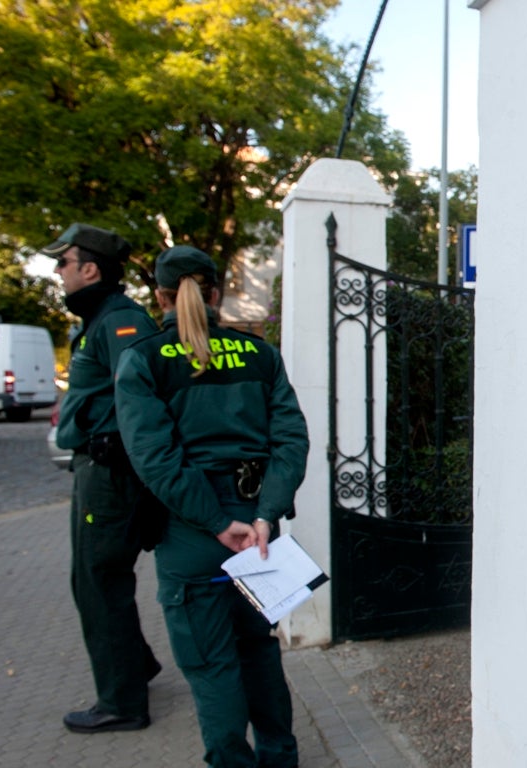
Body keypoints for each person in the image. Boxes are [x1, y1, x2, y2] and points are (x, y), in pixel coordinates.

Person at [114, 245, 309, 768]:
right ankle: (279, 758)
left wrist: (218, 522)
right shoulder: (260, 355)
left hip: (193, 530)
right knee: (258, 651)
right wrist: (264, 515)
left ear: (159, 296)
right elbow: (290, 442)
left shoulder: (144, 359)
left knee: (211, 663)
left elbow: (154, 458)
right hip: (257, 526)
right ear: (217, 292)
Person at [45, 223, 162, 734]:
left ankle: (122, 701)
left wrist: (112, 439)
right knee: (92, 578)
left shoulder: (120, 321)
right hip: (94, 468)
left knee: (100, 581)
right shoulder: (100, 319)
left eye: (63, 262)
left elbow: (140, 393)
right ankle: (135, 667)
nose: (57, 271)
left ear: (90, 268)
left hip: (110, 474)